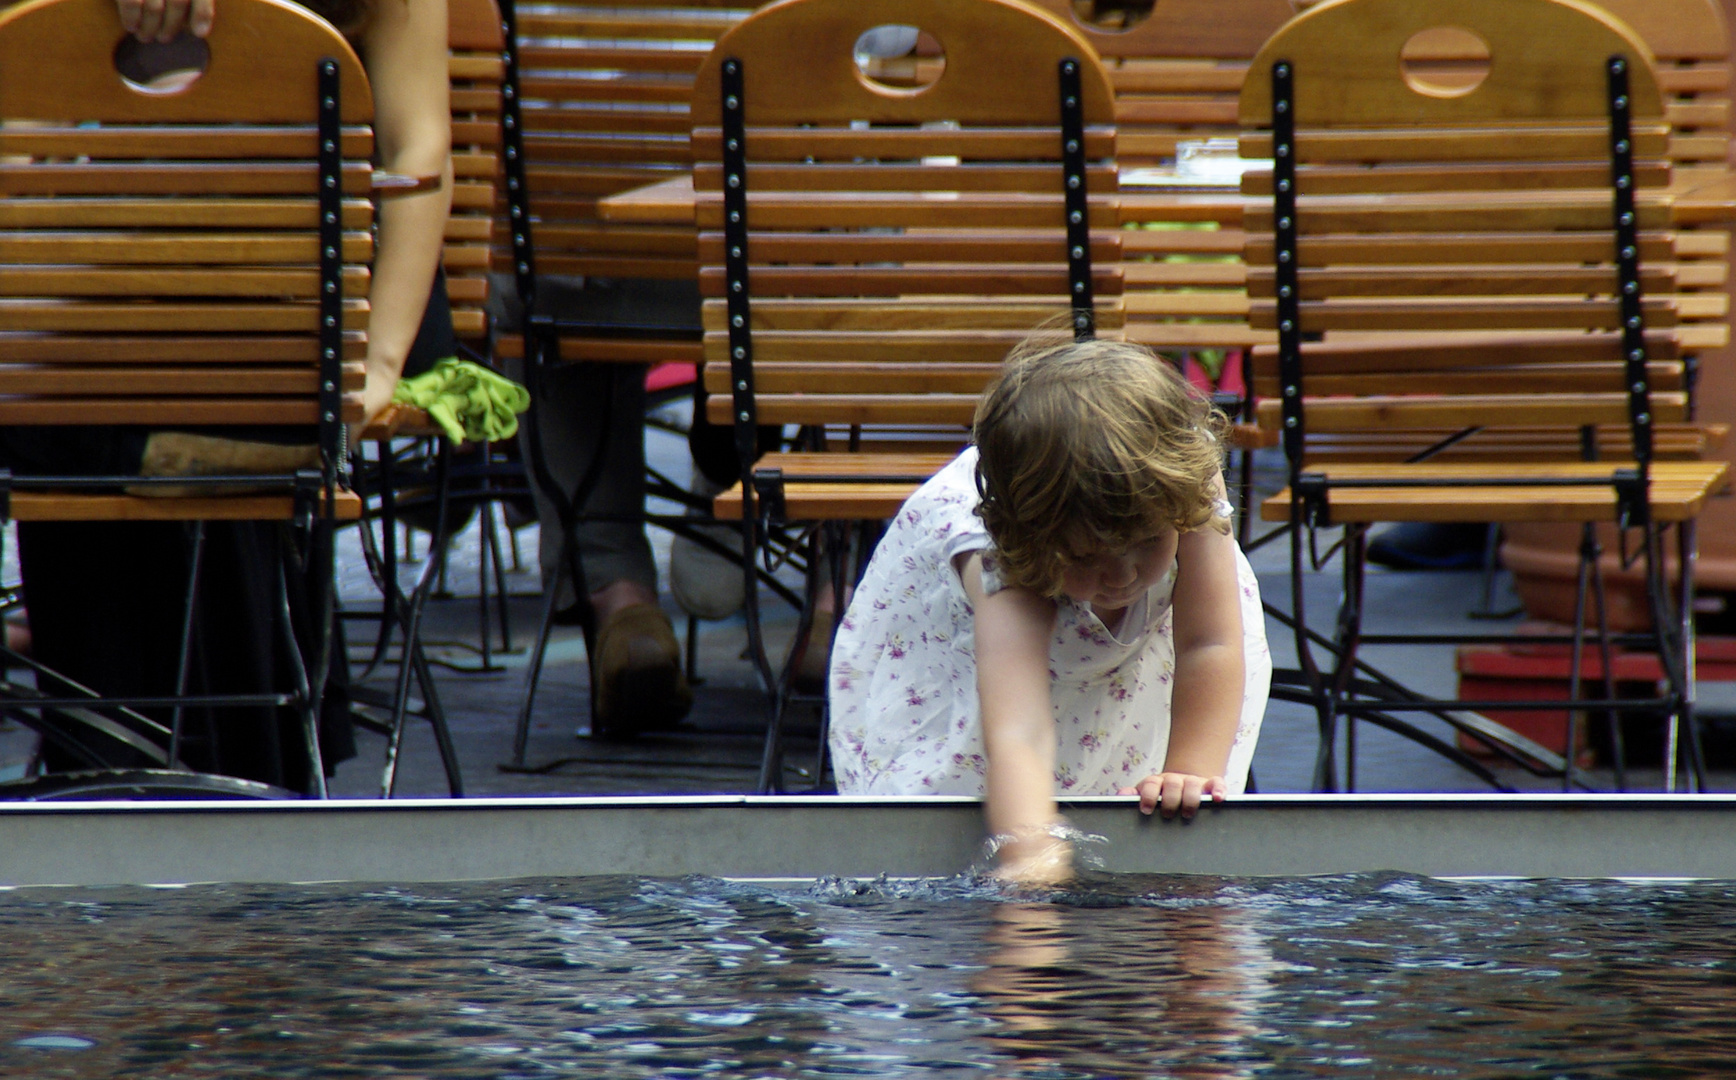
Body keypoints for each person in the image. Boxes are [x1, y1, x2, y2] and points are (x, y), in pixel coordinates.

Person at [9, 0, 456, 791]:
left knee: (133, 392)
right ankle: (218, 761)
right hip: (122, 302)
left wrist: (377, 359)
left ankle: (121, 757)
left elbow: (416, 149)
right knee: (103, 384)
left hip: (321, 303)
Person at [827, 334, 1270, 883]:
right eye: (1088, 557)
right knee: (983, 833)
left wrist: (1189, 772)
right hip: (970, 660)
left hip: (1150, 650)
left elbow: (1210, 643)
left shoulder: (1179, 481)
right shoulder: (999, 545)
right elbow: (1019, 729)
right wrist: (1030, 858)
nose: (1124, 575)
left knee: (1149, 812)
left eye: (1149, 543)